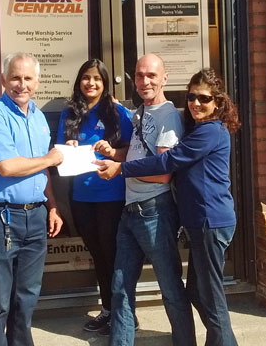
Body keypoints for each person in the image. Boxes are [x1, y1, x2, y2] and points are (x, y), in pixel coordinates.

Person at [96, 68, 241, 346]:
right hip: (200, 223)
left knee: (211, 297)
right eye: (191, 97)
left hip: (211, 222)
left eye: (204, 98)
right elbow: (148, 126)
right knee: (199, 294)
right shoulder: (199, 129)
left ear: (218, 102)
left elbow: (166, 163)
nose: (196, 103)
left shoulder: (210, 132)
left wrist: (121, 169)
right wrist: (121, 111)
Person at [104, 53, 196, 345]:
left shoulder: (168, 116)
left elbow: (162, 173)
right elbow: (137, 156)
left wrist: (120, 171)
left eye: (151, 76)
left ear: (164, 78)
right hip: (131, 211)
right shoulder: (142, 112)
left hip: (155, 212)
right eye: (140, 75)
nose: (144, 81)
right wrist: (112, 154)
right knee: (120, 287)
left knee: (169, 288)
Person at [0, 52, 64, 346]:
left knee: (26, 300)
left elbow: (42, 169)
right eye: (15, 77)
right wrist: (50, 158)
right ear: (3, 79)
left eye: (27, 78)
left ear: (37, 81)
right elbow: (7, 166)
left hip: (35, 216)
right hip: (0, 218)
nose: (21, 84)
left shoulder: (38, 117)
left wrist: (52, 206)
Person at [56, 59, 133, 335]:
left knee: (113, 255)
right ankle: (109, 310)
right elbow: (58, 155)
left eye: (97, 79)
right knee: (98, 255)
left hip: (111, 195)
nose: (91, 83)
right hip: (81, 196)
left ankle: (124, 315)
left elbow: (132, 154)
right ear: (79, 82)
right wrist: (69, 146)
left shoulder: (117, 113)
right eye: (86, 78)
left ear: (105, 83)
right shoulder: (69, 114)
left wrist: (112, 152)